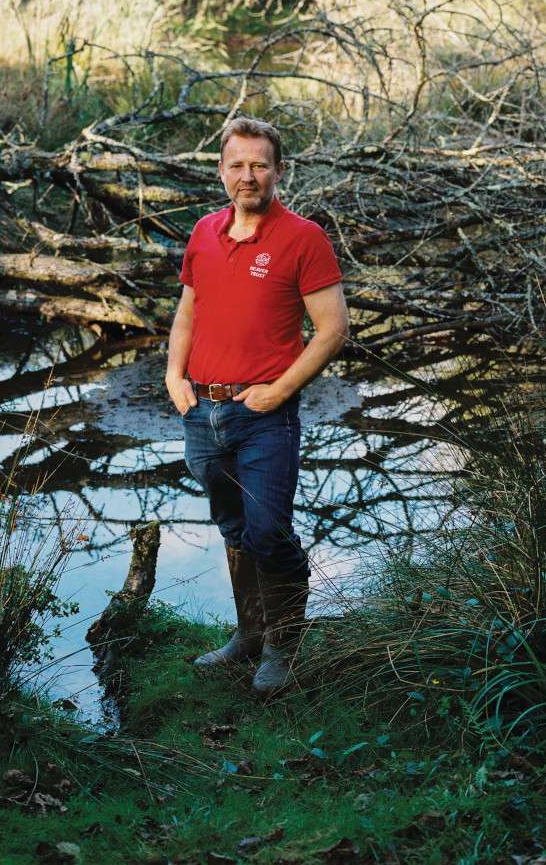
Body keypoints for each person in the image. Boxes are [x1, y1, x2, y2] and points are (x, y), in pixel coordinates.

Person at [165, 116, 349, 695]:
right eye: (238, 165)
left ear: (278, 171)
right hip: (204, 412)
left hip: (265, 416)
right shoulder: (203, 232)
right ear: (221, 171)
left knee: (269, 532)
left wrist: (280, 390)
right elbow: (189, 311)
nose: (249, 176)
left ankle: (281, 647)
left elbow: (333, 329)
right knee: (234, 527)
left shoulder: (304, 238)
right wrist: (175, 376)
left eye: (260, 165)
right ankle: (248, 633)